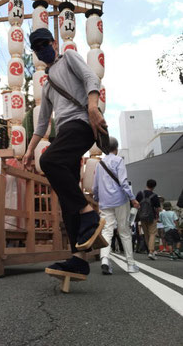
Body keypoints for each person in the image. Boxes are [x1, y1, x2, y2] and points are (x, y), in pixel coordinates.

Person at [23, 28, 108, 277]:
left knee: (49, 160)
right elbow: (42, 124)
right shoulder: (48, 86)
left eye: (44, 44)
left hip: (81, 124)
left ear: (54, 43)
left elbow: (91, 78)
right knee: (66, 198)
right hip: (65, 133)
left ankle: (88, 214)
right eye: (36, 47)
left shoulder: (69, 58)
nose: (42, 49)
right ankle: (78, 258)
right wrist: (28, 151)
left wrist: (93, 107)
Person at [92, 137, 140, 274]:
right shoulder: (119, 160)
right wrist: (133, 199)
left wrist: (96, 198)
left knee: (107, 230)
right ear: (116, 148)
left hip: (105, 202)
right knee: (124, 231)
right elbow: (124, 182)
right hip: (120, 200)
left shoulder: (99, 164)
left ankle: (105, 260)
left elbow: (95, 187)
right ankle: (131, 264)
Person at [136, 179, 161, 260]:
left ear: (146, 184)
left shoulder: (140, 193)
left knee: (146, 234)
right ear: (154, 187)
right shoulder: (154, 196)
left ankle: (150, 251)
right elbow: (157, 208)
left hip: (142, 217)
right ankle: (151, 251)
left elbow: (136, 204)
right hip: (151, 217)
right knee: (153, 233)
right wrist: (157, 215)